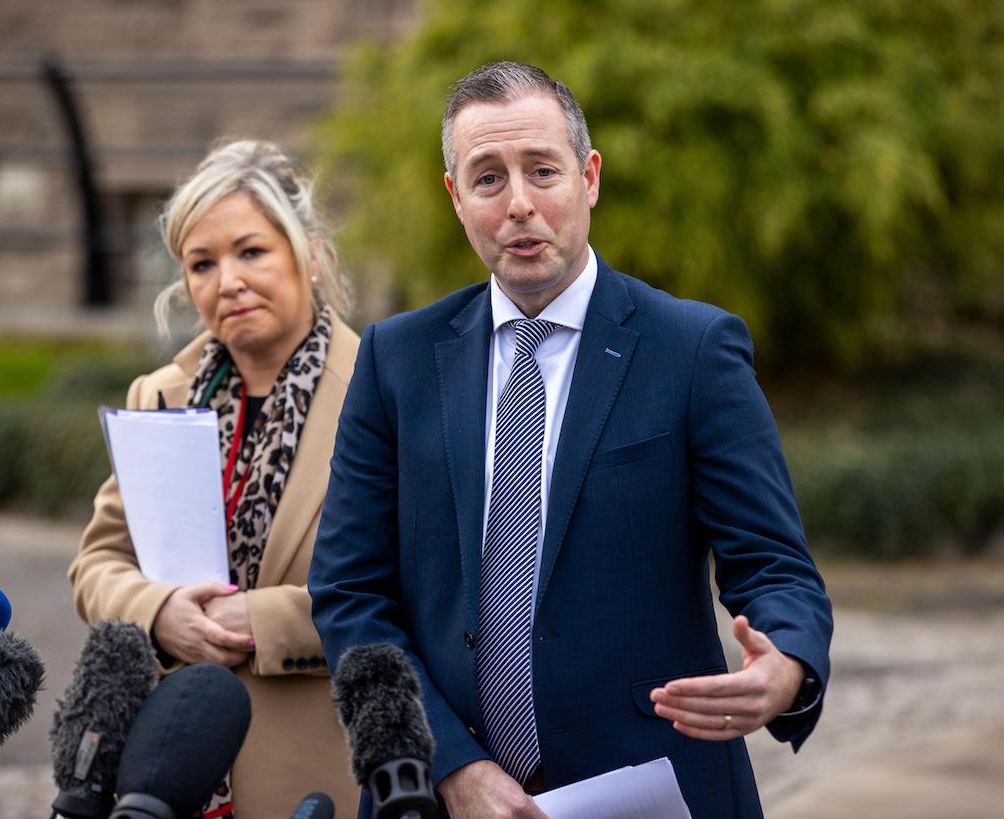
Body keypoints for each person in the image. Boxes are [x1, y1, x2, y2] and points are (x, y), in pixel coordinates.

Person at [309, 62, 833, 819]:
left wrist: (782, 665)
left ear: (588, 177)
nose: (520, 203)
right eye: (488, 178)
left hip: (655, 787)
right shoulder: (396, 359)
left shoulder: (691, 350)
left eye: (542, 170)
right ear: (457, 197)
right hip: (437, 799)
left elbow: (775, 565)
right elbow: (351, 594)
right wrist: (451, 767)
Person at [69, 140, 360, 819]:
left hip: (317, 774)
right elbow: (97, 562)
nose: (227, 279)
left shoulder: (380, 393)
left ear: (309, 254)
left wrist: (258, 621)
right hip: (167, 775)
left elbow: (419, 586)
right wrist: (156, 610)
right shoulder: (160, 395)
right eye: (202, 263)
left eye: (250, 251)